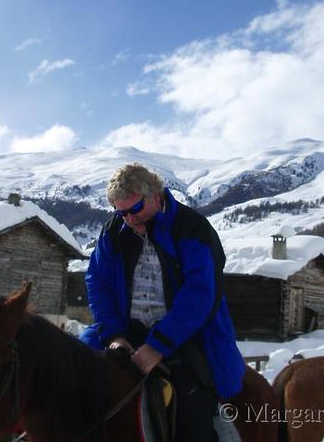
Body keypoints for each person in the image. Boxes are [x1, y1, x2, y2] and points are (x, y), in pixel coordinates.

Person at [80, 163, 246, 442]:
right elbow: (98, 283)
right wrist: (113, 336)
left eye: (135, 209)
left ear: (156, 196)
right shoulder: (113, 232)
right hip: (125, 333)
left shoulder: (192, 228)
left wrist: (158, 346)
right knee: (68, 375)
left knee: (190, 407)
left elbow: (200, 294)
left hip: (186, 336)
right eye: (121, 213)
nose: (130, 219)